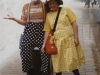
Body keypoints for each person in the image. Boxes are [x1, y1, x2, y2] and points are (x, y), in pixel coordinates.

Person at [4, 0, 50, 75]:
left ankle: (44, 72)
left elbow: (52, 16)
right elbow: (24, 22)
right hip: (29, 33)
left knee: (45, 54)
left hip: (42, 33)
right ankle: (30, 70)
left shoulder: (45, 5)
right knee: (24, 49)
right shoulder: (26, 6)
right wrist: (14, 19)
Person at [41, 0, 85, 75]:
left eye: (53, 3)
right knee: (58, 63)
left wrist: (76, 38)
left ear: (57, 3)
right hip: (57, 43)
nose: (52, 5)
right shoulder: (48, 15)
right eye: (50, 4)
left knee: (72, 62)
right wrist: (44, 44)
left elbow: (74, 24)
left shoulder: (66, 10)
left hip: (69, 41)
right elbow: (47, 31)